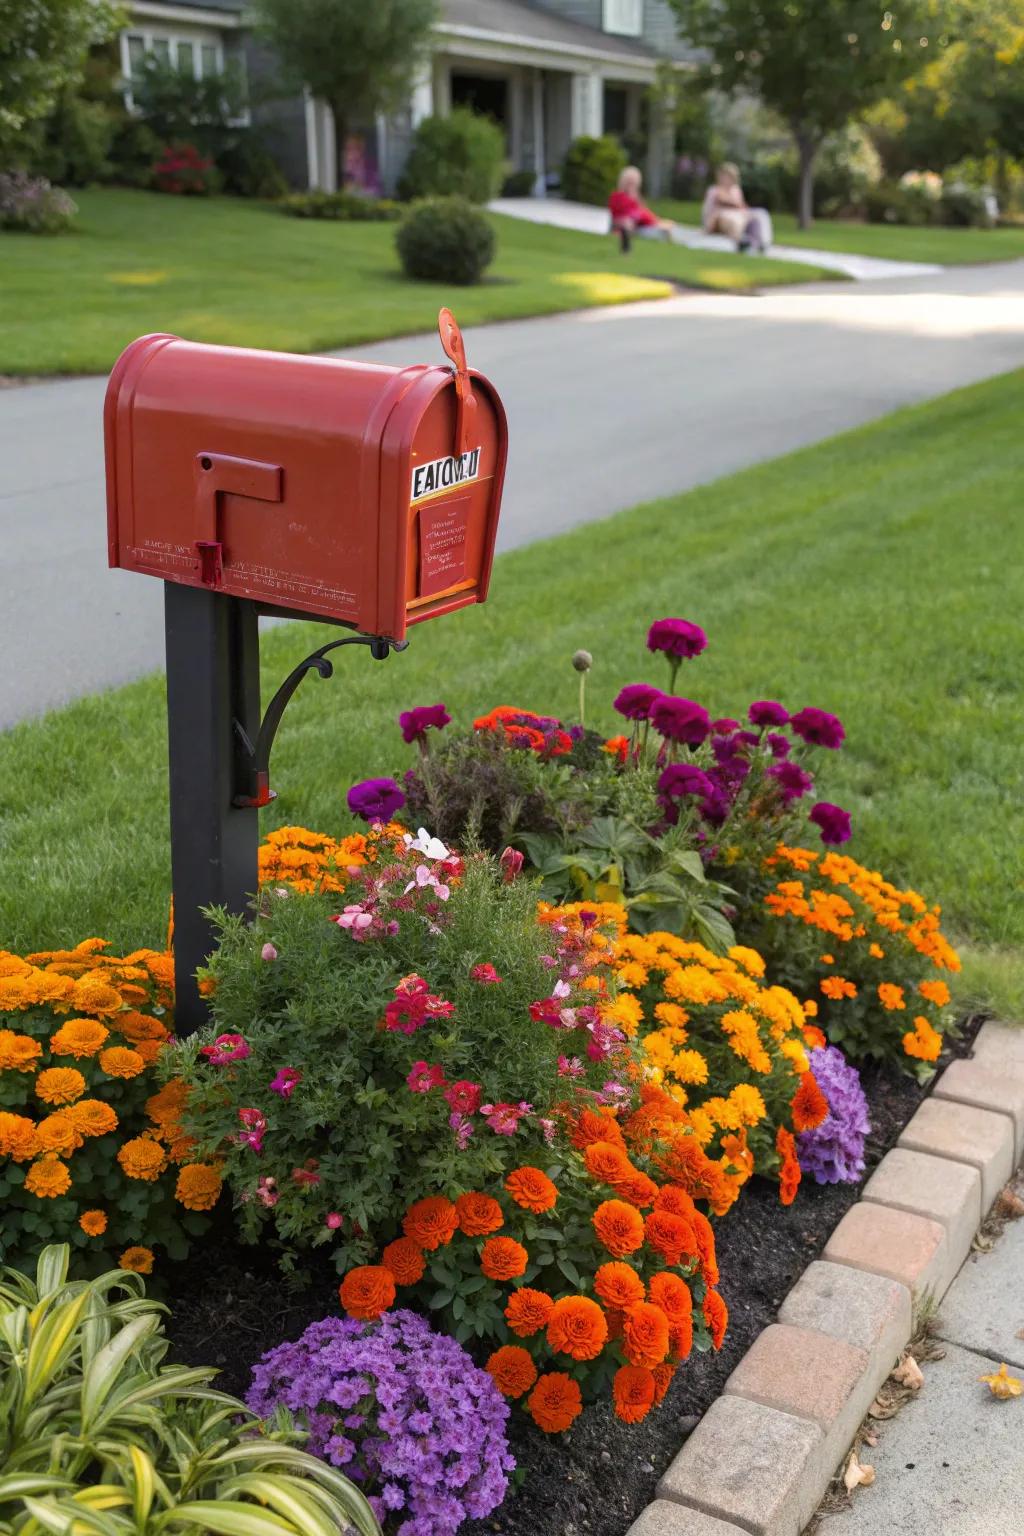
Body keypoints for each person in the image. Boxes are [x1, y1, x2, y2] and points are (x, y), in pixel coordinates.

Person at [702, 163, 773, 254]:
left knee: (759, 214)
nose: (725, 179)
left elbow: (741, 206)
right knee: (733, 219)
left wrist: (745, 212)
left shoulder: (736, 190)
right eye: (723, 176)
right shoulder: (714, 190)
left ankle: (759, 242)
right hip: (719, 219)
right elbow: (720, 203)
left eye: (728, 177)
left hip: (737, 216)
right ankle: (740, 241)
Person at [608, 166, 673, 252]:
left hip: (641, 226)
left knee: (666, 227)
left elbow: (643, 213)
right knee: (660, 231)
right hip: (629, 228)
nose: (632, 186)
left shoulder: (636, 198)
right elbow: (632, 215)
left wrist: (656, 221)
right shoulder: (617, 197)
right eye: (630, 182)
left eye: (633, 183)